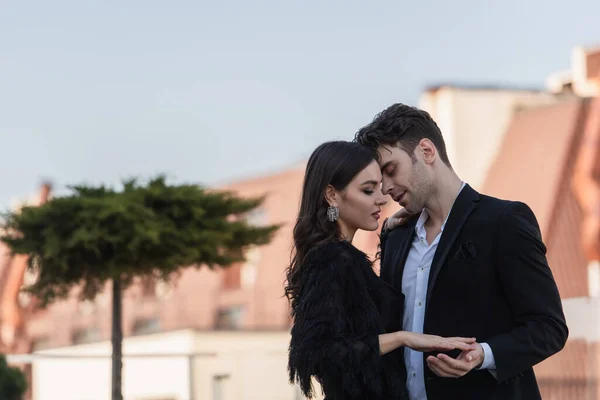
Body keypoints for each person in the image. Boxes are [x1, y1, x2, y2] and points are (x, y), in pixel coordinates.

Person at [354, 103, 569, 400]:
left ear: (427, 151)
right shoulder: (396, 236)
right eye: (380, 180)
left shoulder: (504, 221)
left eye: (391, 171)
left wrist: (484, 354)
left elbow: (549, 328)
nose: (386, 189)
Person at [285, 141, 476, 400]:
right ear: (332, 195)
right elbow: (315, 353)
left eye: (379, 186)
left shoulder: (342, 257)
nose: (382, 198)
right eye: (367, 190)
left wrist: (386, 232)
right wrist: (403, 338)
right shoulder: (332, 259)